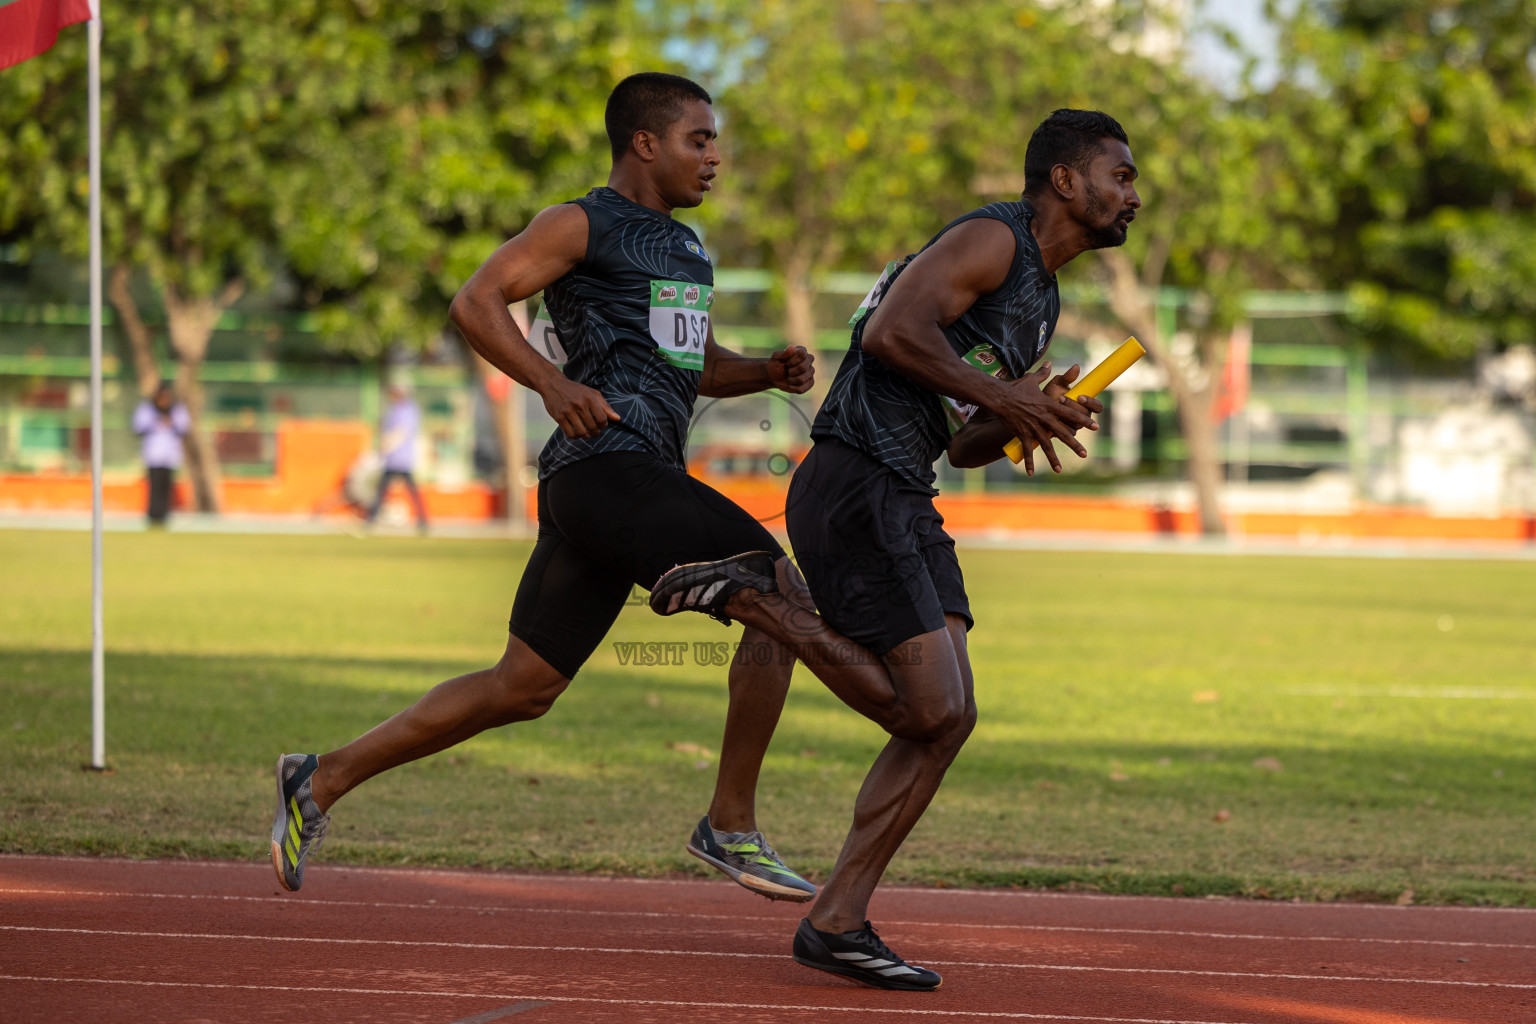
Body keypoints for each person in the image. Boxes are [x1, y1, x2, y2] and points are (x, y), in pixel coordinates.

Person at [270, 72, 827, 906]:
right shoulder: (580, 221)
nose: (715, 157)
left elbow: (697, 368)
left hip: (621, 486)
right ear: (645, 143)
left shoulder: (685, 248)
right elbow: (475, 302)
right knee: (776, 586)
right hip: (606, 466)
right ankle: (732, 825)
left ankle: (317, 779)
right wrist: (550, 386)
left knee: (522, 687)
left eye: (716, 142)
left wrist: (764, 372)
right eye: (698, 139)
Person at [650, 109, 1140, 991]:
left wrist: (1031, 409)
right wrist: (1008, 394)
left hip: (904, 487)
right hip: (858, 482)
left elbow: (964, 440)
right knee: (924, 710)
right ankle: (760, 600)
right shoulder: (991, 239)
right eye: (1122, 176)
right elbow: (889, 338)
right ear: (1067, 181)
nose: (1134, 196)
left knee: (949, 719)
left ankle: (837, 920)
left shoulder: (1041, 293)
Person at [366, 383, 429, 532]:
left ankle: (423, 520)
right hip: (392, 458)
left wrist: (386, 446)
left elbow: (401, 432)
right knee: (382, 490)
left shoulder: (408, 410)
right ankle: (371, 519)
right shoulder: (394, 409)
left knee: (411, 491)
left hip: (402, 457)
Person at [131, 381, 190, 527]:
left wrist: (171, 422)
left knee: (166, 487)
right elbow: (138, 427)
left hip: (170, 456)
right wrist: (155, 421)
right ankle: (153, 515)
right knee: (154, 487)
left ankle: (164, 516)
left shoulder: (177, 410)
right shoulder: (147, 409)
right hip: (153, 455)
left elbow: (184, 428)